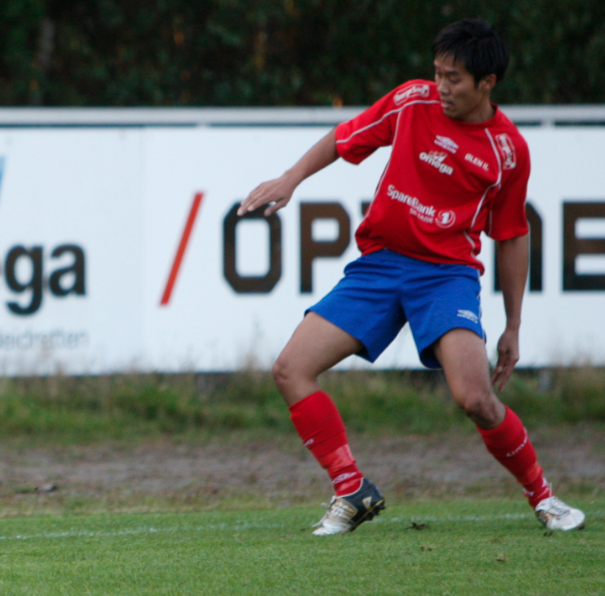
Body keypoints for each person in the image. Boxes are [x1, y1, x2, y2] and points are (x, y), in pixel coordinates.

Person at [238, 18, 585, 535]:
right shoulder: (411, 102)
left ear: (487, 82)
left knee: (474, 398)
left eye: (455, 79)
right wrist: (290, 179)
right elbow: (343, 137)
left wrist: (513, 325)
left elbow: (511, 235)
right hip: (380, 266)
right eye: (438, 73)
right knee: (291, 368)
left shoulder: (508, 151)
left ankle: (544, 497)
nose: (442, 87)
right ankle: (350, 489)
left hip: (446, 276)